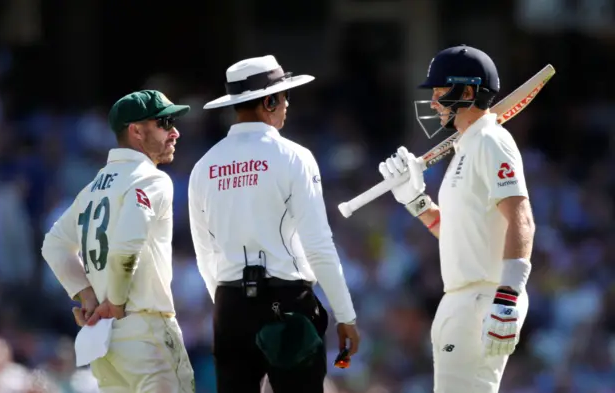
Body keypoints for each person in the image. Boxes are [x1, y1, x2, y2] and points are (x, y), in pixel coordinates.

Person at [189, 55, 360, 393]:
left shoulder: (203, 167)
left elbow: (204, 255)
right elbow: (318, 245)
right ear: (268, 101)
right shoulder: (293, 156)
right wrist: (346, 316)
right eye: (283, 97)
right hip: (287, 302)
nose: (286, 105)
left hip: (229, 305)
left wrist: (229, 308)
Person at [378, 45, 536, 393]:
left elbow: (520, 216)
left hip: (484, 296)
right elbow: (455, 235)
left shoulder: (492, 140)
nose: (433, 102)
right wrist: (416, 201)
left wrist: (508, 295)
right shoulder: (466, 148)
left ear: (467, 91)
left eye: (439, 92)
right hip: (461, 299)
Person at [41, 90, 196, 393]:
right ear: (136, 131)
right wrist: (115, 302)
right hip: (143, 329)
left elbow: (54, 245)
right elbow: (126, 248)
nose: (175, 132)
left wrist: (87, 296)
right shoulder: (151, 179)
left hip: (104, 340)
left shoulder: (92, 189)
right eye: (164, 122)